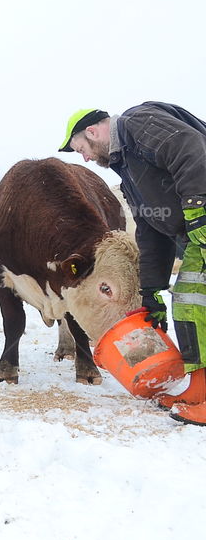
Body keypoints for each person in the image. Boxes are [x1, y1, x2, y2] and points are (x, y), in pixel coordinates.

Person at [59, 101, 206, 425]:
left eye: (81, 148)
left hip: (202, 219)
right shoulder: (129, 172)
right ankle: (199, 389)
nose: (84, 158)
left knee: (194, 301)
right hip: (194, 234)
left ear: (93, 131)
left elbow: (190, 147)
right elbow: (152, 233)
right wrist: (151, 290)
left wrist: (198, 206)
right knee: (188, 303)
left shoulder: (137, 123)